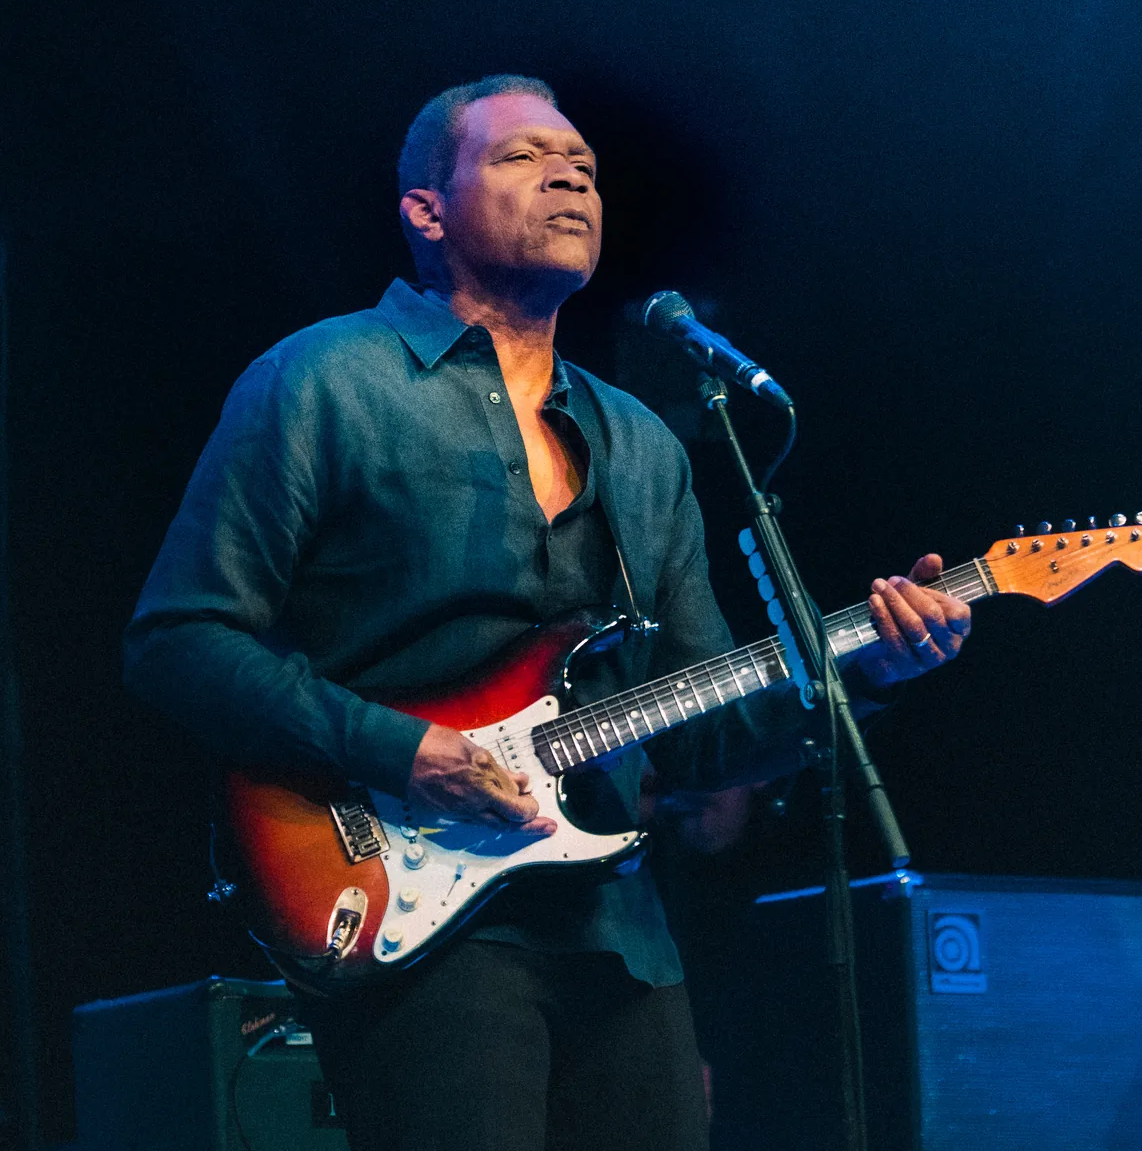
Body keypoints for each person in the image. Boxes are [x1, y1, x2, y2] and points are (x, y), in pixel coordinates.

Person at [123, 74, 971, 1151]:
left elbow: (701, 733)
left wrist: (862, 669)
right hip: (410, 908)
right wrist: (404, 750)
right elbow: (177, 641)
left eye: (582, 164)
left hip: (619, 928)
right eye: (522, 156)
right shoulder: (325, 381)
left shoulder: (642, 446)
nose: (569, 173)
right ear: (427, 209)